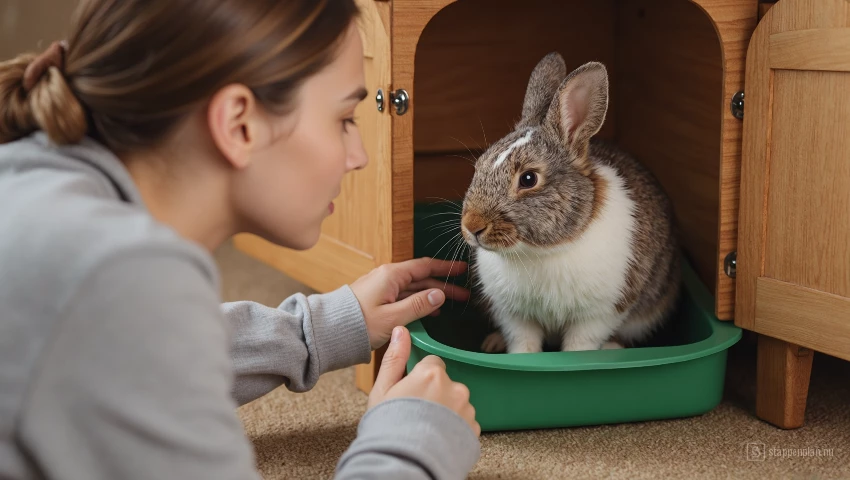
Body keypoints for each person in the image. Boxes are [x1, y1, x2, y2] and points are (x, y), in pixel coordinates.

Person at [0, 0, 482, 478]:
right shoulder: (119, 274)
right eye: (344, 119)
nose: (358, 155)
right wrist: (411, 444)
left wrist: (316, 330)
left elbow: (112, 354)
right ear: (238, 123)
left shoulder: (44, 197)